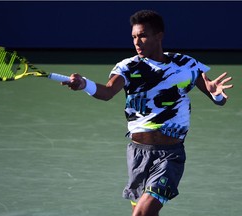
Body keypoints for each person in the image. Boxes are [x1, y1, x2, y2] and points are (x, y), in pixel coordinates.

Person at [62, 10, 233, 216]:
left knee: (141, 214)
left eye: (142, 35)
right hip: (137, 154)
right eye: (134, 37)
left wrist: (215, 95)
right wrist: (84, 84)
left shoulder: (185, 64)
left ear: (159, 36)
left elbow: (220, 100)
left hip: (169, 156)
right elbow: (107, 92)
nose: (137, 42)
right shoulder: (128, 67)